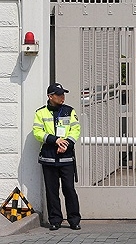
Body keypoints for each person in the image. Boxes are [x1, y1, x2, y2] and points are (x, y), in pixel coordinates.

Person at [32, 83, 81, 231]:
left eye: (63, 94)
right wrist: (55, 140)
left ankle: (74, 220)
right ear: (50, 96)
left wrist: (66, 143)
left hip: (66, 158)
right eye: (59, 95)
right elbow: (37, 132)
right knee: (52, 191)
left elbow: (76, 129)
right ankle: (55, 220)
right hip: (49, 158)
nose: (62, 97)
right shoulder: (41, 113)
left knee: (69, 189)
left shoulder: (69, 111)